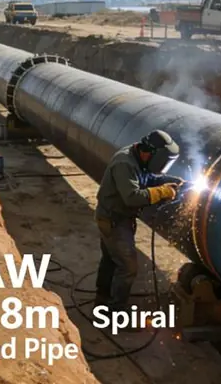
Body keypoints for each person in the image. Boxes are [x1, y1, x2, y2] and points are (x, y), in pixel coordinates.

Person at [94, 129, 184, 312]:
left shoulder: (140, 158)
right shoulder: (124, 163)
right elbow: (132, 197)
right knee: (128, 268)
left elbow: (148, 177)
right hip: (113, 221)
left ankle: (102, 300)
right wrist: (162, 191)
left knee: (112, 260)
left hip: (118, 218)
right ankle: (116, 312)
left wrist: (169, 181)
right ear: (150, 154)